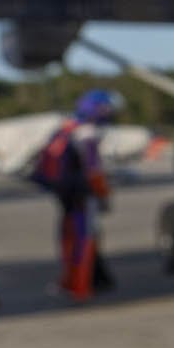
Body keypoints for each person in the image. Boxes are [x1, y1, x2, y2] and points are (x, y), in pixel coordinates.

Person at [38, 89, 117, 302]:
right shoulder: (88, 133)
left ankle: (72, 280)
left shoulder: (67, 128)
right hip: (83, 195)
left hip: (65, 194)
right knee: (84, 240)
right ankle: (80, 286)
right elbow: (93, 169)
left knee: (69, 238)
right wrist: (103, 194)